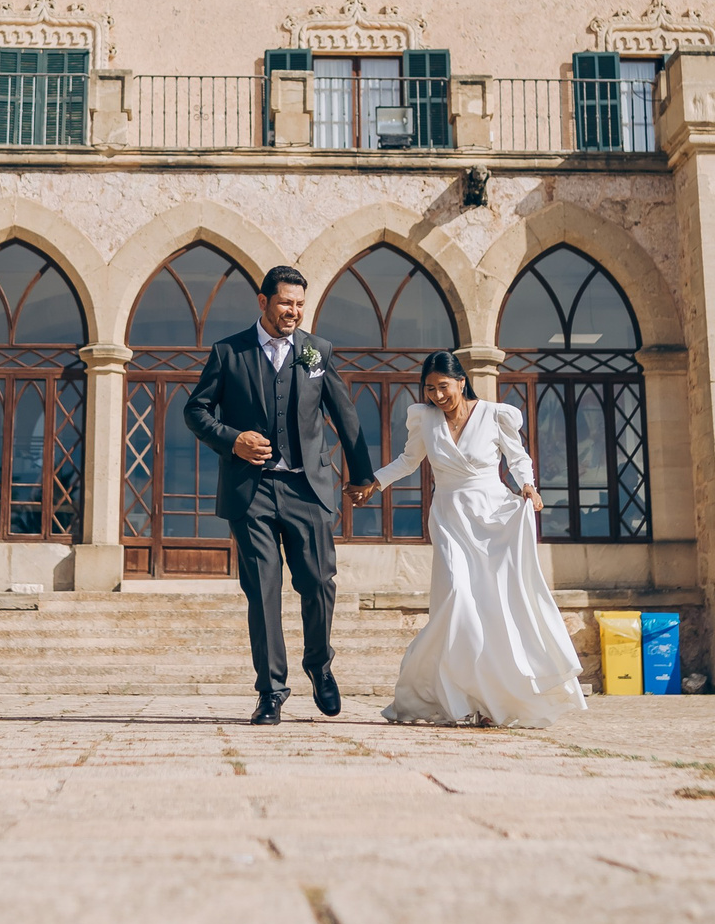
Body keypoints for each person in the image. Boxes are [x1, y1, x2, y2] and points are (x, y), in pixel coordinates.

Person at [353, 350, 589, 729]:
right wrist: (375, 482)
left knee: (494, 605)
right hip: (449, 517)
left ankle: (489, 700)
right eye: (429, 389)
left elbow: (518, 457)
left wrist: (527, 486)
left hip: (493, 516)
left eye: (442, 387)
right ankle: (455, 696)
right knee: (456, 599)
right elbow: (408, 461)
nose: (436, 396)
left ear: (461, 381)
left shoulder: (496, 415)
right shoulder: (425, 419)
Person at [183, 264, 377, 724]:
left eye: (299, 305)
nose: (293, 312)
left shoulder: (315, 353)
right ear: (263, 302)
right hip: (251, 491)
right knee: (263, 591)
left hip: (308, 487)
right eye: (286, 303)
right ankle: (271, 690)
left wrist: (362, 474)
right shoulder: (229, 353)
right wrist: (233, 439)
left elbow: (344, 416)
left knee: (318, 582)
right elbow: (196, 410)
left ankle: (320, 665)